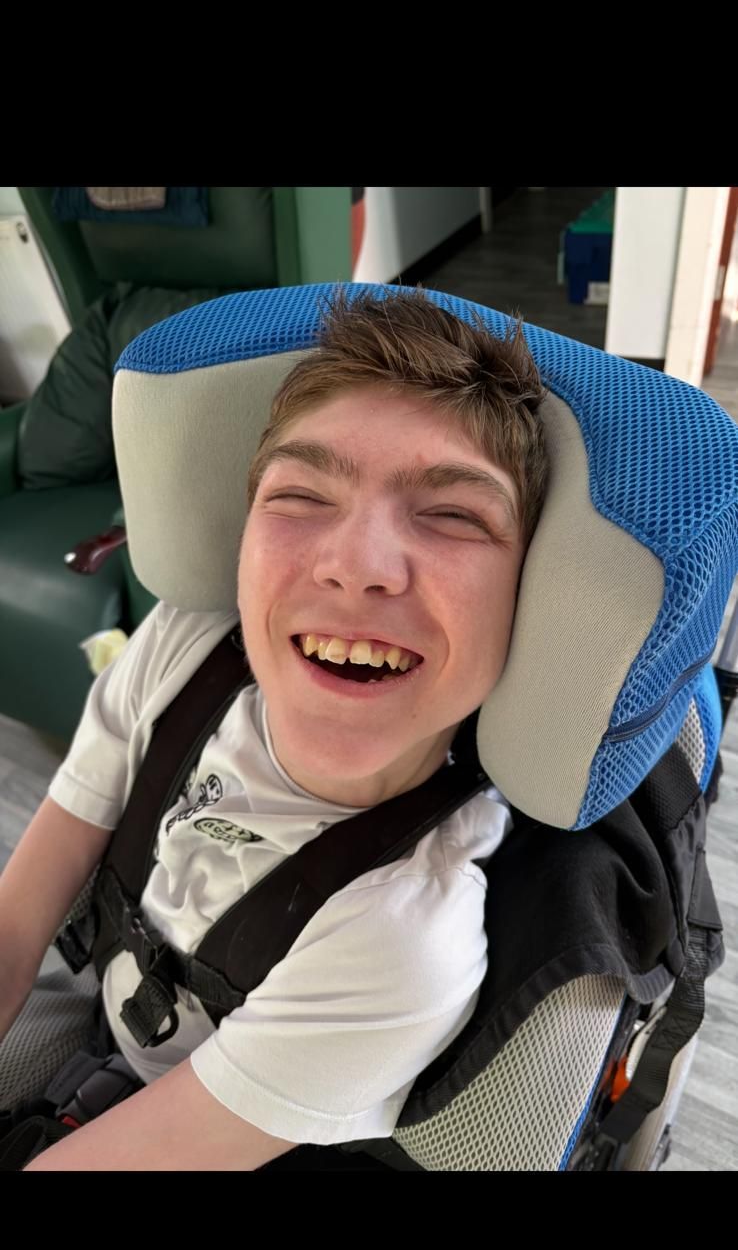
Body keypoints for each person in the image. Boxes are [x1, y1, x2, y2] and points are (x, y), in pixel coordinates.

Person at [0, 287, 549, 1170]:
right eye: (301, 495)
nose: (356, 566)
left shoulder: (404, 932)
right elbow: (18, 919)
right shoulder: (183, 648)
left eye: (453, 515)